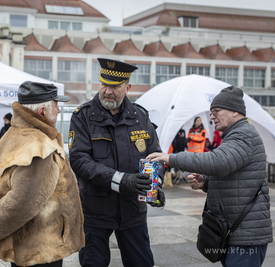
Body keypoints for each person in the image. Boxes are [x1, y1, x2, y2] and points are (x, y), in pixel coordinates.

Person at [147, 86, 273, 267]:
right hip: (236, 231)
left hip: (245, 236)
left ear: (235, 112)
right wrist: (206, 182)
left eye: (216, 111)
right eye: (211, 112)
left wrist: (172, 158)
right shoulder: (235, 135)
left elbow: (219, 162)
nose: (212, 116)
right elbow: (233, 176)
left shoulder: (244, 135)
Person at [69, 58, 165, 267]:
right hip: (96, 211)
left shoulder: (140, 116)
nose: (108, 91)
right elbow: (79, 161)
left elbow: (155, 156)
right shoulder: (83, 116)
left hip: (132, 212)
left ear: (127, 87)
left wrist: (155, 185)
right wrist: (121, 180)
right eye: (104, 84)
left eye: (115, 86)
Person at [0, 81, 85, 267]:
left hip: (24, 245)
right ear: (42, 110)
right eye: (56, 105)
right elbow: (24, 200)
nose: (59, 110)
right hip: (40, 247)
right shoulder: (38, 147)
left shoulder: (11, 135)